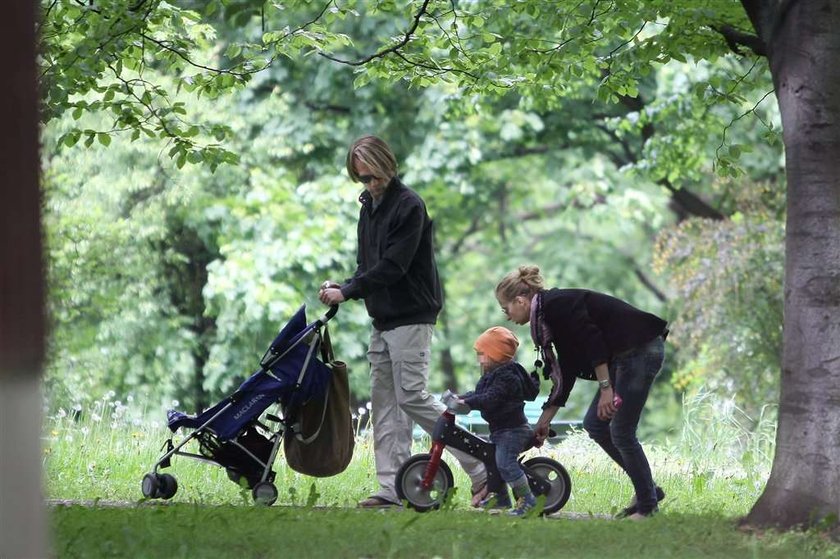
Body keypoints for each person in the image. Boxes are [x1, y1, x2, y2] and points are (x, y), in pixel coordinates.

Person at [318, 135, 488, 508]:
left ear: (388, 168)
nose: (371, 184)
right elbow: (369, 266)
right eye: (363, 179)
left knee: (411, 396)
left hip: (412, 315)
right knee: (385, 405)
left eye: (375, 177)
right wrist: (344, 285)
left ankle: (481, 466)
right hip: (382, 318)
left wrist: (348, 293)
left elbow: (394, 266)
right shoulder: (369, 208)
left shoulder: (409, 206)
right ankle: (392, 488)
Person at [494, 265, 669, 519]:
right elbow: (567, 368)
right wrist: (544, 421)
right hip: (625, 358)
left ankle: (647, 506)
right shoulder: (549, 316)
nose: (506, 315)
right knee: (596, 425)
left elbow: (592, 341)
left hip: (639, 351)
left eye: (505, 308)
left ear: (520, 300)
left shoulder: (556, 305)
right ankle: (648, 490)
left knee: (621, 431)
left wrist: (606, 388)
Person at [454, 326, 540, 516]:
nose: (479, 359)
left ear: (495, 355)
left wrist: (468, 402)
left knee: (505, 463)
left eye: (482, 354)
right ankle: (500, 499)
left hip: (513, 431)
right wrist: (460, 398)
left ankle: (528, 500)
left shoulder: (506, 377)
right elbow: (479, 394)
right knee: (491, 460)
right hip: (501, 431)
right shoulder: (492, 375)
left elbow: (490, 398)